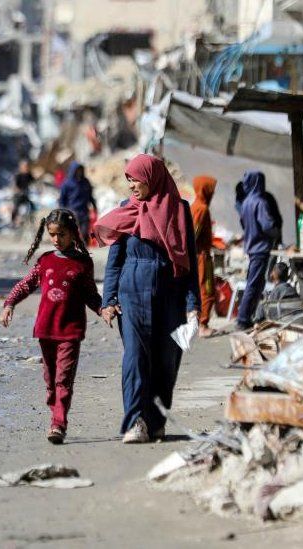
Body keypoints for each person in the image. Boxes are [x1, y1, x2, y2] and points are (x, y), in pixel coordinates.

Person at [95, 154, 200, 444]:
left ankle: (156, 422)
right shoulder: (126, 211)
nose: (130, 185)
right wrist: (108, 300)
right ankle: (135, 422)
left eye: (135, 178)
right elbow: (115, 261)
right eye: (127, 178)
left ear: (152, 177)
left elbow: (190, 262)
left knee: (167, 361)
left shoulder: (179, 211)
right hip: (132, 294)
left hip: (172, 297)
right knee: (135, 359)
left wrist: (193, 306)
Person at [0, 209, 102, 445]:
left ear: (73, 234)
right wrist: (9, 304)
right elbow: (26, 284)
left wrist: (103, 309)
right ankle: (54, 410)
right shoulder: (45, 260)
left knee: (63, 379)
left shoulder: (82, 263)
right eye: (52, 234)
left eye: (62, 234)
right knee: (50, 380)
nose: (57, 240)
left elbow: (90, 294)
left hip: (70, 331)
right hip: (46, 329)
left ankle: (58, 423)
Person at [236, 170, 281, 330]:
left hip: (252, 246)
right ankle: (242, 319)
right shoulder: (260, 202)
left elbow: (243, 223)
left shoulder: (246, 201)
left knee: (256, 283)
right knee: (253, 284)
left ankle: (247, 316)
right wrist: (276, 233)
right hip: (260, 248)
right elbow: (267, 225)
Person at [191, 175, 218, 338]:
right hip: (201, 256)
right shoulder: (201, 209)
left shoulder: (195, 206)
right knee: (207, 289)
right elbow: (193, 234)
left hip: (199, 254)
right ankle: (203, 324)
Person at [58, 162, 97, 238]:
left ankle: (84, 248)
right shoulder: (67, 183)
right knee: (72, 233)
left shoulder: (85, 182)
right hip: (72, 211)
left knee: (85, 233)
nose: (79, 172)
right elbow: (62, 199)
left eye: (80, 170)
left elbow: (90, 196)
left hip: (84, 211)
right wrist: (63, 211)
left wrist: (95, 207)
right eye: (77, 170)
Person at [11, 159, 35, 227]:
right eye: (25, 166)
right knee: (16, 207)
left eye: (27, 166)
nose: (26, 168)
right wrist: (19, 191)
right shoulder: (18, 175)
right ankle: (13, 222)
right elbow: (15, 186)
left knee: (32, 206)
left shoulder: (29, 175)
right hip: (18, 195)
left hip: (26, 194)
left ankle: (31, 221)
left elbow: (34, 181)